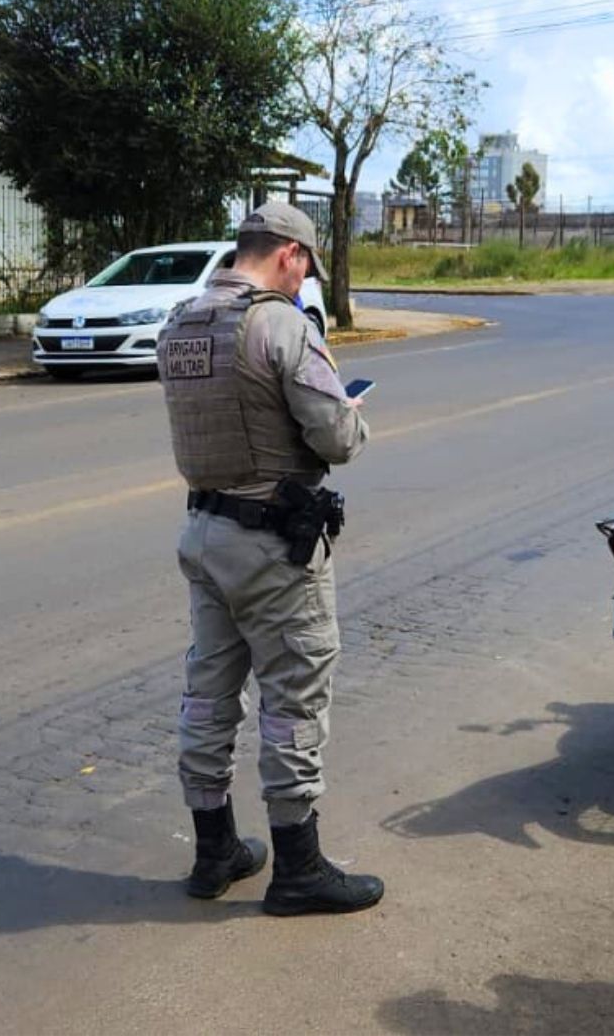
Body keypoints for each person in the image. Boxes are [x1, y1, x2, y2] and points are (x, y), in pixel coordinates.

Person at [156, 202, 383, 916]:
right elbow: (337, 437)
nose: (305, 277)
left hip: (203, 533)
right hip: (270, 545)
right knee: (293, 694)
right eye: (306, 265)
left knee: (210, 690)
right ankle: (298, 869)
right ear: (289, 254)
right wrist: (353, 412)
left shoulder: (182, 323)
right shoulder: (281, 324)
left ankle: (213, 849)